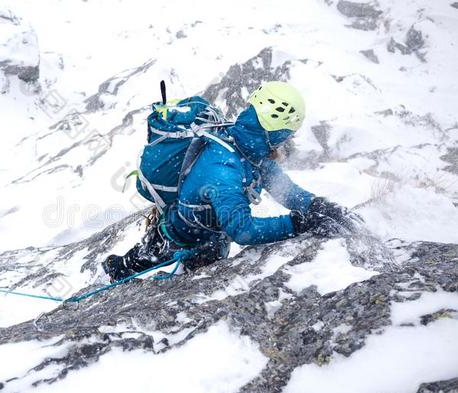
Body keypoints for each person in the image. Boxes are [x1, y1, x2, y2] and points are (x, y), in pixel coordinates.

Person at [103, 81, 362, 282]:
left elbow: (287, 192)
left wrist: (321, 207)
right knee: (133, 264)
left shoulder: (250, 151)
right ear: (277, 130)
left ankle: (121, 267)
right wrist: (299, 223)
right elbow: (244, 230)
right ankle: (114, 270)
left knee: (191, 274)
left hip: (211, 236)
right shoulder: (223, 168)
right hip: (181, 235)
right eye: (287, 134)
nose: (287, 141)